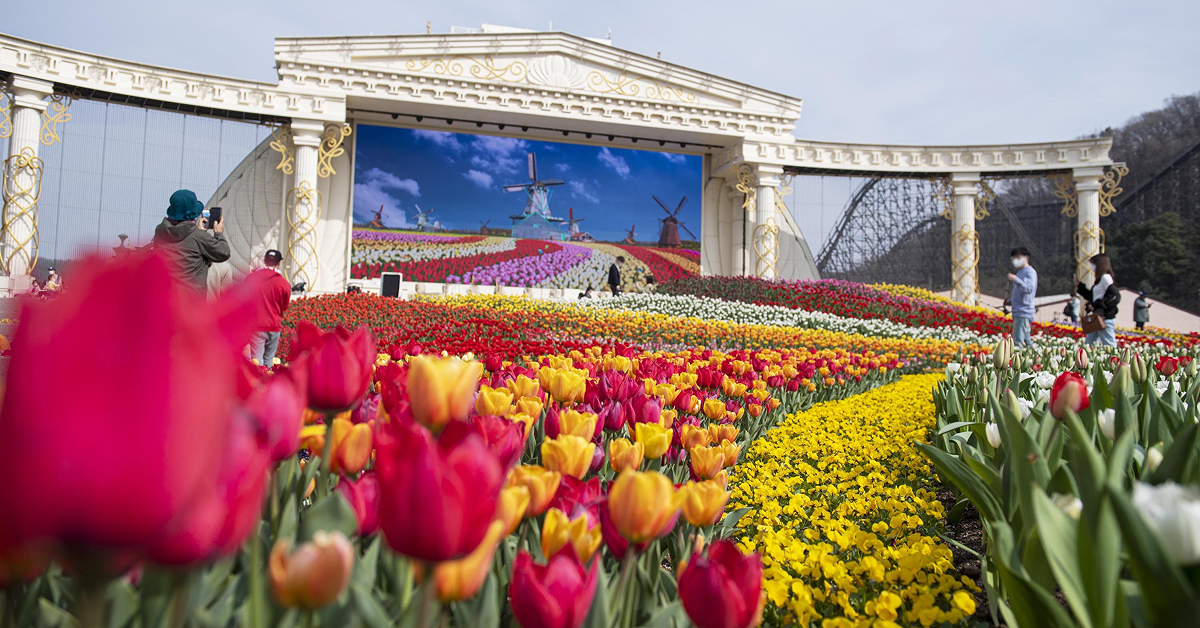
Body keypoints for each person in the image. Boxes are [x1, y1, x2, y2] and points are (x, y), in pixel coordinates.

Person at [153, 190, 230, 292]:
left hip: (166, 297)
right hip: (191, 302)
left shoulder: (160, 231)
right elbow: (224, 252)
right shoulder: (198, 236)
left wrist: (198, 232)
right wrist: (218, 233)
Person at [246, 250, 292, 369]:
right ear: (278, 264)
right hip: (274, 325)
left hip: (256, 325)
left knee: (256, 361)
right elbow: (284, 305)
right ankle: (267, 383)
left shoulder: (252, 278)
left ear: (264, 261)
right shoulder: (283, 283)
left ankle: (257, 385)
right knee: (269, 360)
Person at [1077, 253, 1120, 347]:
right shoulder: (1099, 280)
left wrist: (1097, 305)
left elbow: (1115, 295)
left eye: (1093, 264)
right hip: (1096, 317)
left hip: (1104, 317)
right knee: (1089, 344)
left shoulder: (1105, 278)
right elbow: (1092, 296)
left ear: (1099, 265)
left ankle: (1115, 360)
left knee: (1109, 344)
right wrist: (1080, 286)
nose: (1091, 267)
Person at [1006, 247, 1037, 348]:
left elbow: (1029, 289)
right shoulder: (1021, 272)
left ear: (1026, 257)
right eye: (1013, 259)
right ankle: (1031, 359)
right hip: (1019, 310)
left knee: (1018, 342)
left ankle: (1019, 361)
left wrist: (1016, 279)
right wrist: (1010, 301)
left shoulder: (1029, 272)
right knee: (1026, 341)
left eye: (1018, 258)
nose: (1015, 261)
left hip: (1024, 312)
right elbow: (1021, 293)